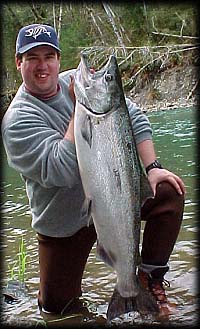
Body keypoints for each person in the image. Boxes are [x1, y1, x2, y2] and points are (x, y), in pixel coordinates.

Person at [2, 23, 185, 318]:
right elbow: (60, 171)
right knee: (57, 310)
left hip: (111, 201)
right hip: (63, 223)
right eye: (32, 57)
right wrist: (81, 110)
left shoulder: (79, 83)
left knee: (168, 191)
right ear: (18, 62)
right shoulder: (18, 120)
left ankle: (146, 281)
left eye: (49, 56)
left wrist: (152, 168)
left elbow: (134, 116)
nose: (42, 65)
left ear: (59, 59)